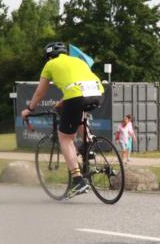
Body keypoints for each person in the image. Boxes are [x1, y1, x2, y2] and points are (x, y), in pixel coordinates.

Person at [21, 41, 104, 197]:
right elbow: (77, 86)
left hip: (77, 97)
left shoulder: (50, 64)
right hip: (98, 94)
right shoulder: (78, 61)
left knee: (65, 138)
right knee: (79, 113)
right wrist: (61, 103)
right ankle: (88, 145)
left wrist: (29, 109)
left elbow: (40, 92)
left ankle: (78, 180)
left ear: (49, 56)